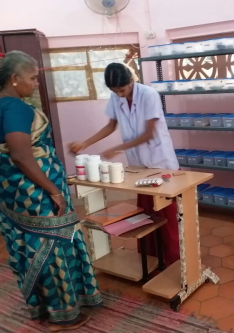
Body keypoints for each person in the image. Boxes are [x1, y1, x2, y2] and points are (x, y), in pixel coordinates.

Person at [0, 51, 102, 332]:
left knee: (30, 249)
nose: (36, 84)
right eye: (32, 78)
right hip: (34, 194)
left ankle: (41, 306)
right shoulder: (15, 107)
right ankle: (63, 314)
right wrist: (54, 191)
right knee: (55, 249)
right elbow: (21, 155)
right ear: (14, 78)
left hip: (10, 194)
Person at [70, 62, 180, 266]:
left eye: (121, 89)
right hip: (138, 163)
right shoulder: (116, 97)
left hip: (160, 160)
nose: (119, 94)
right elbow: (111, 125)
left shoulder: (149, 95)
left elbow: (149, 133)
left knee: (167, 214)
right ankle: (152, 258)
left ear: (131, 81)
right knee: (146, 214)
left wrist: (119, 148)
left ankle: (173, 259)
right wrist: (85, 143)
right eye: (114, 91)